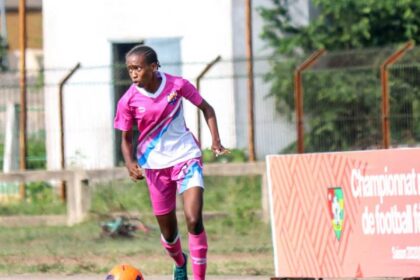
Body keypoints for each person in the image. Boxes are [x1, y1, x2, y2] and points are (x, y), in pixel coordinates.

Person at [114, 45, 229, 280]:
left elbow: (207, 108)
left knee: (194, 219)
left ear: (154, 67)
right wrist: (129, 163)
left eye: (138, 68)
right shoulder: (128, 100)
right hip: (155, 166)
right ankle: (179, 261)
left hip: (186, 157)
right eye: (130, 69)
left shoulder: (177, 85)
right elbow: (125, 140)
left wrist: (215, 140)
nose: (133, 73)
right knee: (169, 235)